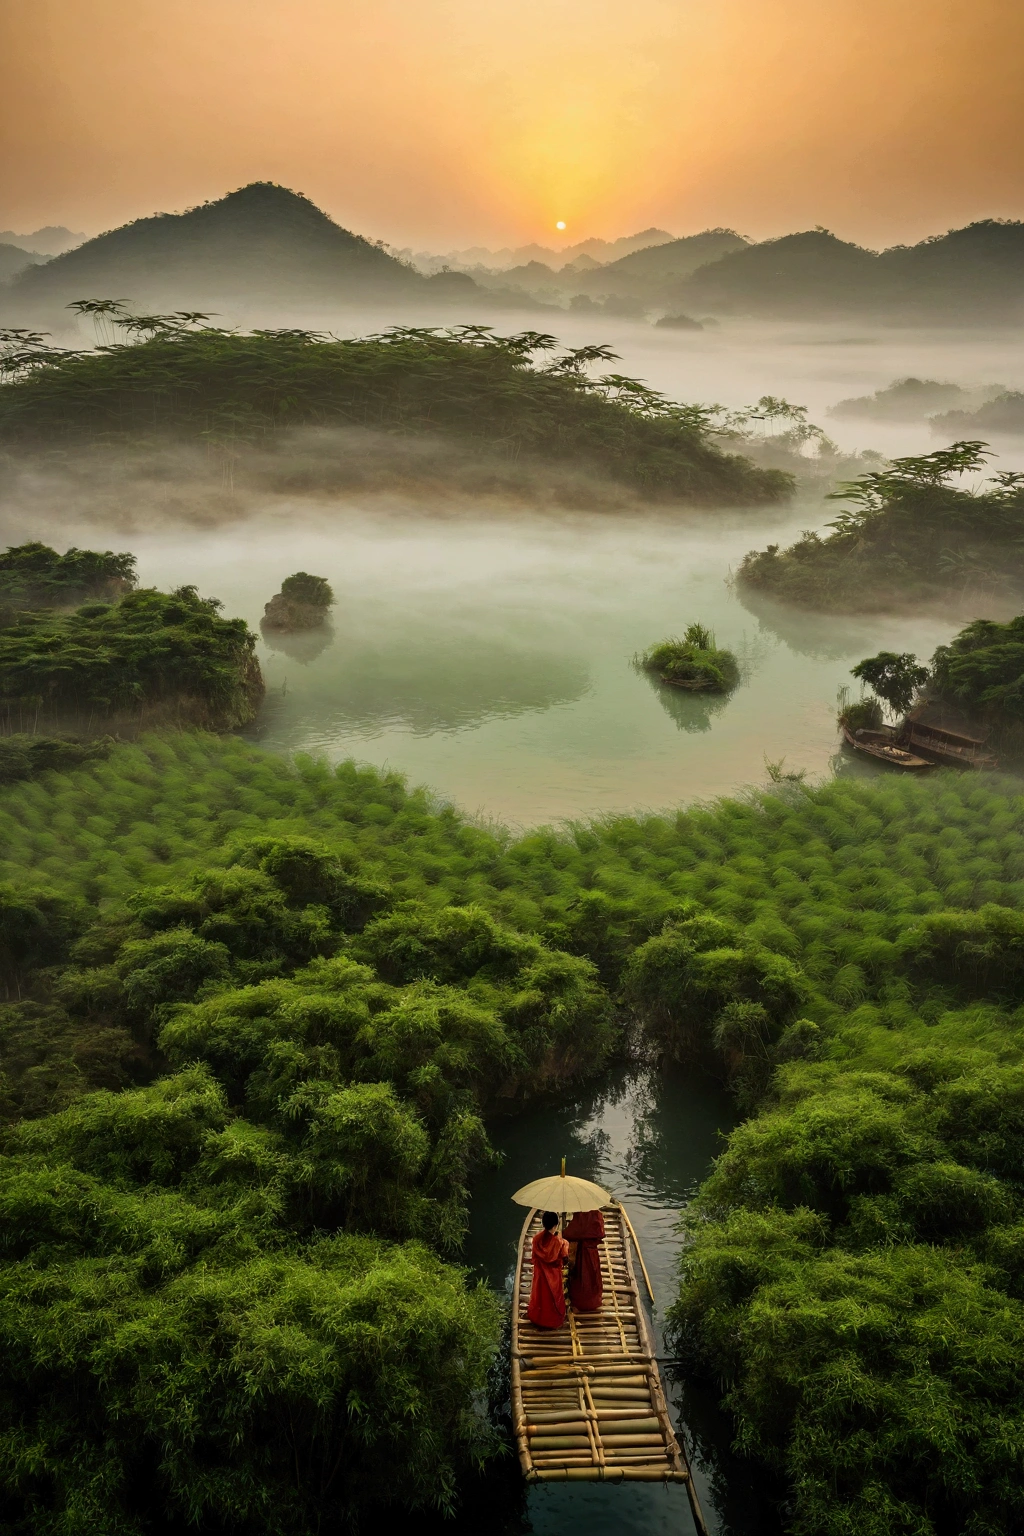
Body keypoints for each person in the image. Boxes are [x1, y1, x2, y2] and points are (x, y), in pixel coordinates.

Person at [527, 1211, 569, 1328]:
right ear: (555, 1225)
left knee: (540, 1296)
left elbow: (534, 1258)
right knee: (553, 1297)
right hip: (553, 1277)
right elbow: (564, 1258)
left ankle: (538, 1318)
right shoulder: (559, 1242)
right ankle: (552, 1320)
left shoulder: (536, 1239)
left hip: (540, 1275)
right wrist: (564, 1242)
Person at [563, 1207, 605, 1311]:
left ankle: (580, 1301)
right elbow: (601, 1233)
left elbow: (569, 1233)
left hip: (581, 1252)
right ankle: (594, 1300)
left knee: (581, 1276)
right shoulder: (597, 1214)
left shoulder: (581, 1215)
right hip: (592, 1253)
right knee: (592, 1275)